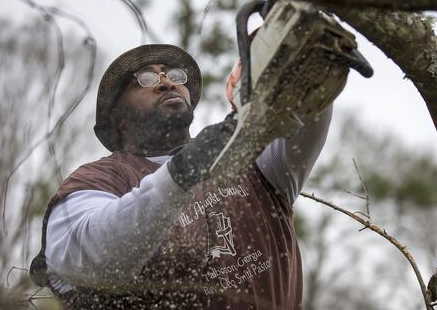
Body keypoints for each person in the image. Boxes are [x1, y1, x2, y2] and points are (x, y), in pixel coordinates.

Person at [30, 43, 335, 309]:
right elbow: (93, 257)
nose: (166, 83)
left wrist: (310, 60)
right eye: (146, 79)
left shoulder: (252, 163)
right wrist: (179, 173)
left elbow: (309, 109)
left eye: (175, 76)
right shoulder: (97, 180)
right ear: (118, 119)